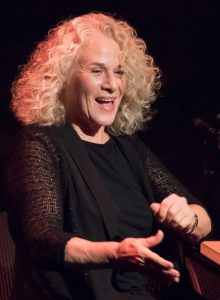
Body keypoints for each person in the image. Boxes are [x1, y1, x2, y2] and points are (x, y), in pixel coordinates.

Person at [6, 12, 212, 300]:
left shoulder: (128, 147)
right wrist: (115, 254)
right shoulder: (39, 143)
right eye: (96, 70)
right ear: (63, 78)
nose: (112, 84)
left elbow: (203, 216)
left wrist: (187, 219)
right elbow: (42, 239)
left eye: (119, 72)